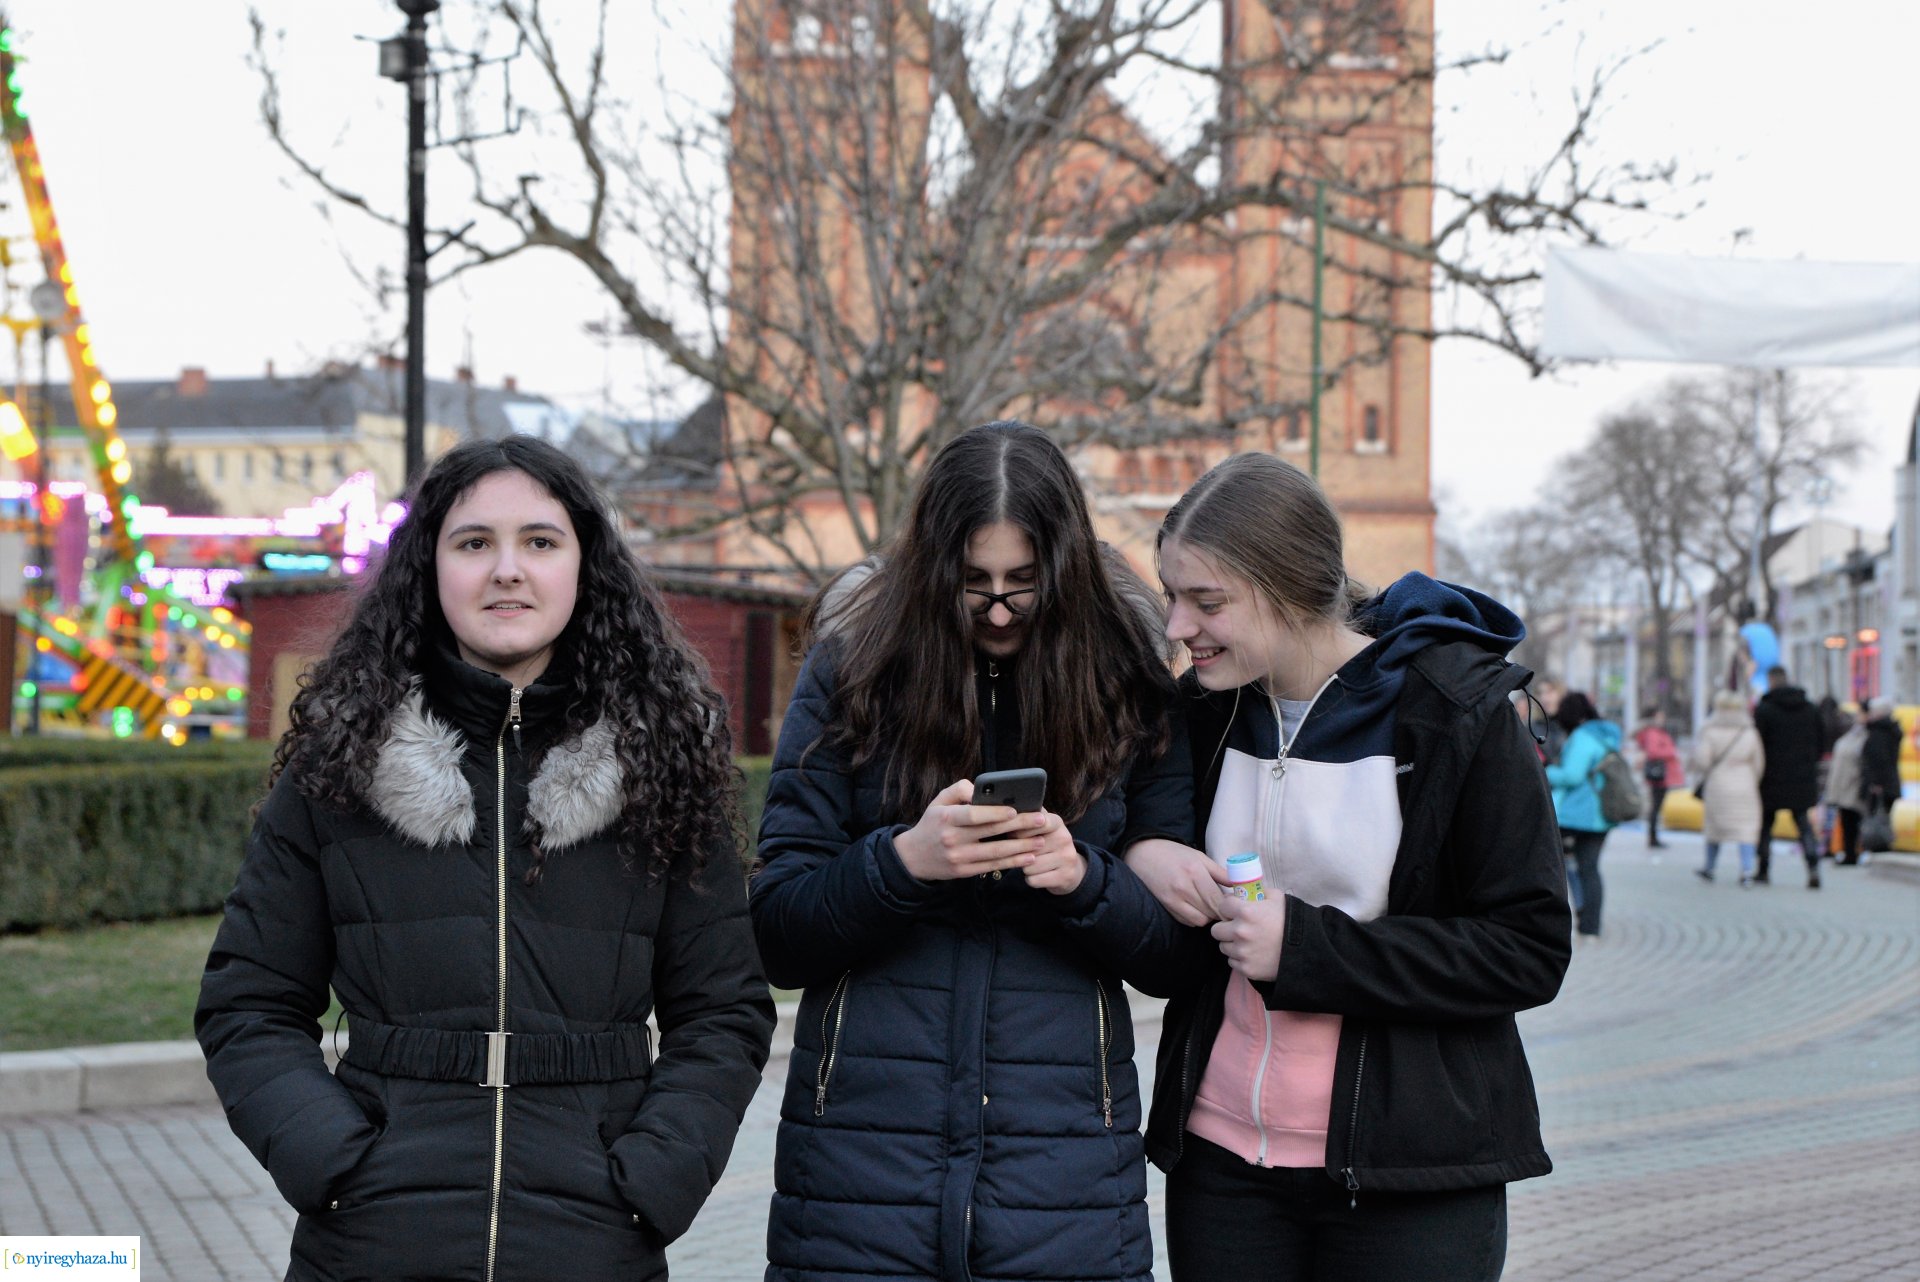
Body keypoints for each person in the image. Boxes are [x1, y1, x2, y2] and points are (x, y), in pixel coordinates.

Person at [196, 436, 775, 1281]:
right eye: (474, 543)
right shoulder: (340, 768)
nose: (508, 569)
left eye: (540, 542)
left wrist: (654, 1181)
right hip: (372, 1245)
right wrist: (336, 1166)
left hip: (594, 1244)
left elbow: (724, 1011)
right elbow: (247, 1006)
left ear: (585, 566)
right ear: (430, 569)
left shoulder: (662, 769)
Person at [750, 420, 1201, 1282]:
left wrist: (1081, 879)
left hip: (1065, 1180)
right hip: (855, 1180)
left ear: (1064, 574)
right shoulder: (852, 667)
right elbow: (777, 929)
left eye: (1023, 586)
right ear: (930, 574)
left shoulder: (1130, 683)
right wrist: (903, 863)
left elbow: (1177, 957)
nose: (998, 610)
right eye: (973, 585)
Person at [1133, 453, 1570, 1282]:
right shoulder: (1200, 715)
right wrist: (1143, 851)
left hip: (1410, 1180)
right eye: (1171, 595)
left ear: (1290, 585)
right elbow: (1143, 865)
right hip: (1223, 1168)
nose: (1177, 628)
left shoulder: (1453, 711)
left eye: (1206, 601)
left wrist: (1307, 953)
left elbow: (1529, 947)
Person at [1546, 691, 1622, 938]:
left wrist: (1543, 771)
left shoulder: (1583, 737)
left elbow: (1572, 776)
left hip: (1579, 815)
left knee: (1555, 865)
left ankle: (1575, 920)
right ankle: (1591, 925)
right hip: (1602, 814)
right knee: (1590, 868)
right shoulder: (1605, 734)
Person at [1753, 666, 1825, 888]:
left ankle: (1763, 869)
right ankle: (1813, 866)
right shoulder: (1810, 709)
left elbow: (1757, 744)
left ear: (1771, 681)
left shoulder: (1764, 709)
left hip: (1771, 776)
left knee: (1765, 825)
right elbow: (1821, 742)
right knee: (1803, 823)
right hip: (1802, 776)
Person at [1689, 690, 1766, 886]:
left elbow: (1703, 761)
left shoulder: (1709, 731)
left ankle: (1710, 866)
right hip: (1745, 784)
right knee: (1746, 830)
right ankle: (1747, 870)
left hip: (1718, 783)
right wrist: (1750, 778)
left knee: (1714, 828)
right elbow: (1759, 763)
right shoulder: (1749, 732)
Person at [1632, 705, 1684, 850]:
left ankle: (1653, 836)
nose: (1663, 719)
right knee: (1655, 806)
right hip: (1660, 774)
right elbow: (1653, 751)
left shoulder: (1655, 732)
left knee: (1656, 806)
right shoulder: (1653, 732)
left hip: (1661, 773)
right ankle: (1653, 837)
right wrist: (1671, 752)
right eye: (1660, 716)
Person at [1824, 705, 1867, 866]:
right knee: (1845, 821)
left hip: (1852, 783)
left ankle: (1853, 852)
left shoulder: (1863, 737)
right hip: (1842, 784)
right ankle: (1848, 852)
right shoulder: (1849, 737)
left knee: (1853, 820)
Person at [1861, 697, 1905, 840]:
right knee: (1883, 816)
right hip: (1889, 781)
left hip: (1880, 782)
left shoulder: (1879, 732)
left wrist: (1876, 782)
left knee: (1876, 817)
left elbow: (1879, 759)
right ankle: (1880, 842)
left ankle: (1876, 843)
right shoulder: (1891, 730)